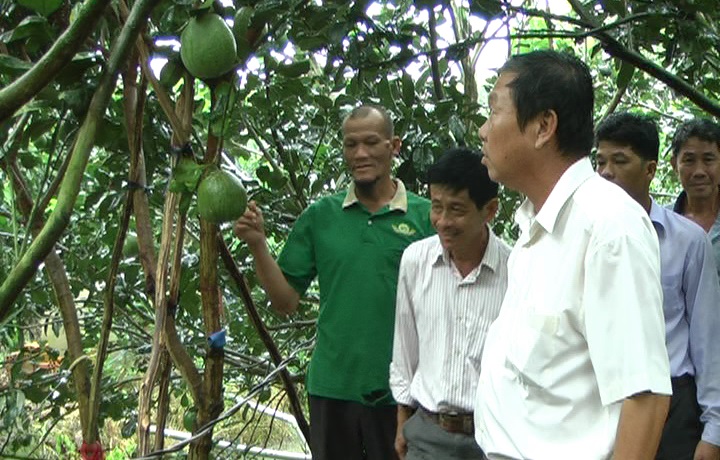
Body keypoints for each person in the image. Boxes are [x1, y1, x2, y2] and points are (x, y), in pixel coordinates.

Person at [473, 50, 672, 460]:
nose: (482, 130)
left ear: (544, 126)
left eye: (494, 112)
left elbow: (645, 397)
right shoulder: (535, 227)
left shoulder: (607, 227)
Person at [233, 104, 434, 460]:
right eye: (350, 144)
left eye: (371, 142)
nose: (360, 153)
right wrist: (257, 244)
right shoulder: (320, 217)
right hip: (332, 387)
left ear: (394, 146)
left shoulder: (426, 217)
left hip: (402, 393)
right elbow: (285, 302)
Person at [596, 112, 720, 460]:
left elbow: (707, 339)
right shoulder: (585, 237)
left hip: (672, 403)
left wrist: (714, 430)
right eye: (600, 161)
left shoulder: (688, 241)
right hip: (604, 400)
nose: (606, 172)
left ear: (649, 170)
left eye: (620, 161)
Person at [389, 148, 509, 460]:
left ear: (490, 210)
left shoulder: (516, 270)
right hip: (428, 435)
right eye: (436, 207)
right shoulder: (416, 260)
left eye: (456, 209)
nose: (442, 222)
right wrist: (403, 422)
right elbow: (405, 349)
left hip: (493, 439)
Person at [670, 118, 720, 278]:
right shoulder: (659, 224)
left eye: (708, 160)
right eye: (689, 160)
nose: (699, 171)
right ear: (674, 165)